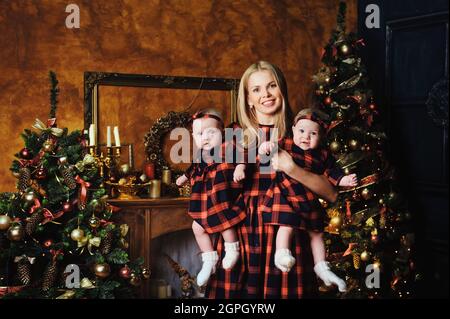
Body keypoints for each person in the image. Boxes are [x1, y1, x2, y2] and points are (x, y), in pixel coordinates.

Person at [206, 61, 342, 299]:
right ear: (248, 98)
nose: (265, 95)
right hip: (244, 234)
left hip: (287, 233)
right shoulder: (233, 136)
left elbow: (331, 194)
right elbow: (215, 190)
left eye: (271, 86)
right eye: (256, 89)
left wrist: (292, 168)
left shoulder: (301, 133)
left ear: (282, 90)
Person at [257, 108, 356, 292]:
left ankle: (322, 267)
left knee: (317, 233)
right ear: (293, 129)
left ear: (321, 137)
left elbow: (332, 173)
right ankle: (281, 254)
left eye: (313, 133)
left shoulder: (323, 154)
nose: (306, 137)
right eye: (302, 131)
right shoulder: (285, 143)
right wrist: (265, 148)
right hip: (286, 195)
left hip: (308, 199)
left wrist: (343, 180)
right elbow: (267, 154)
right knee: (287, 225)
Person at [176, 109, 246, 286]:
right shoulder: (201, 154)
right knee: (196, 227)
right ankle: (209, 259)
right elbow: (193, 168)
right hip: (205, 199)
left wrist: (240, 168)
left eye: (211, 132)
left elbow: (244, 156)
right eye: (199, 134)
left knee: (224, 222)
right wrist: (184, 177)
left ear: (222, 132)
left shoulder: (228, 146)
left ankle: (232, 249)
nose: (205, 138)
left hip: (222, 197)